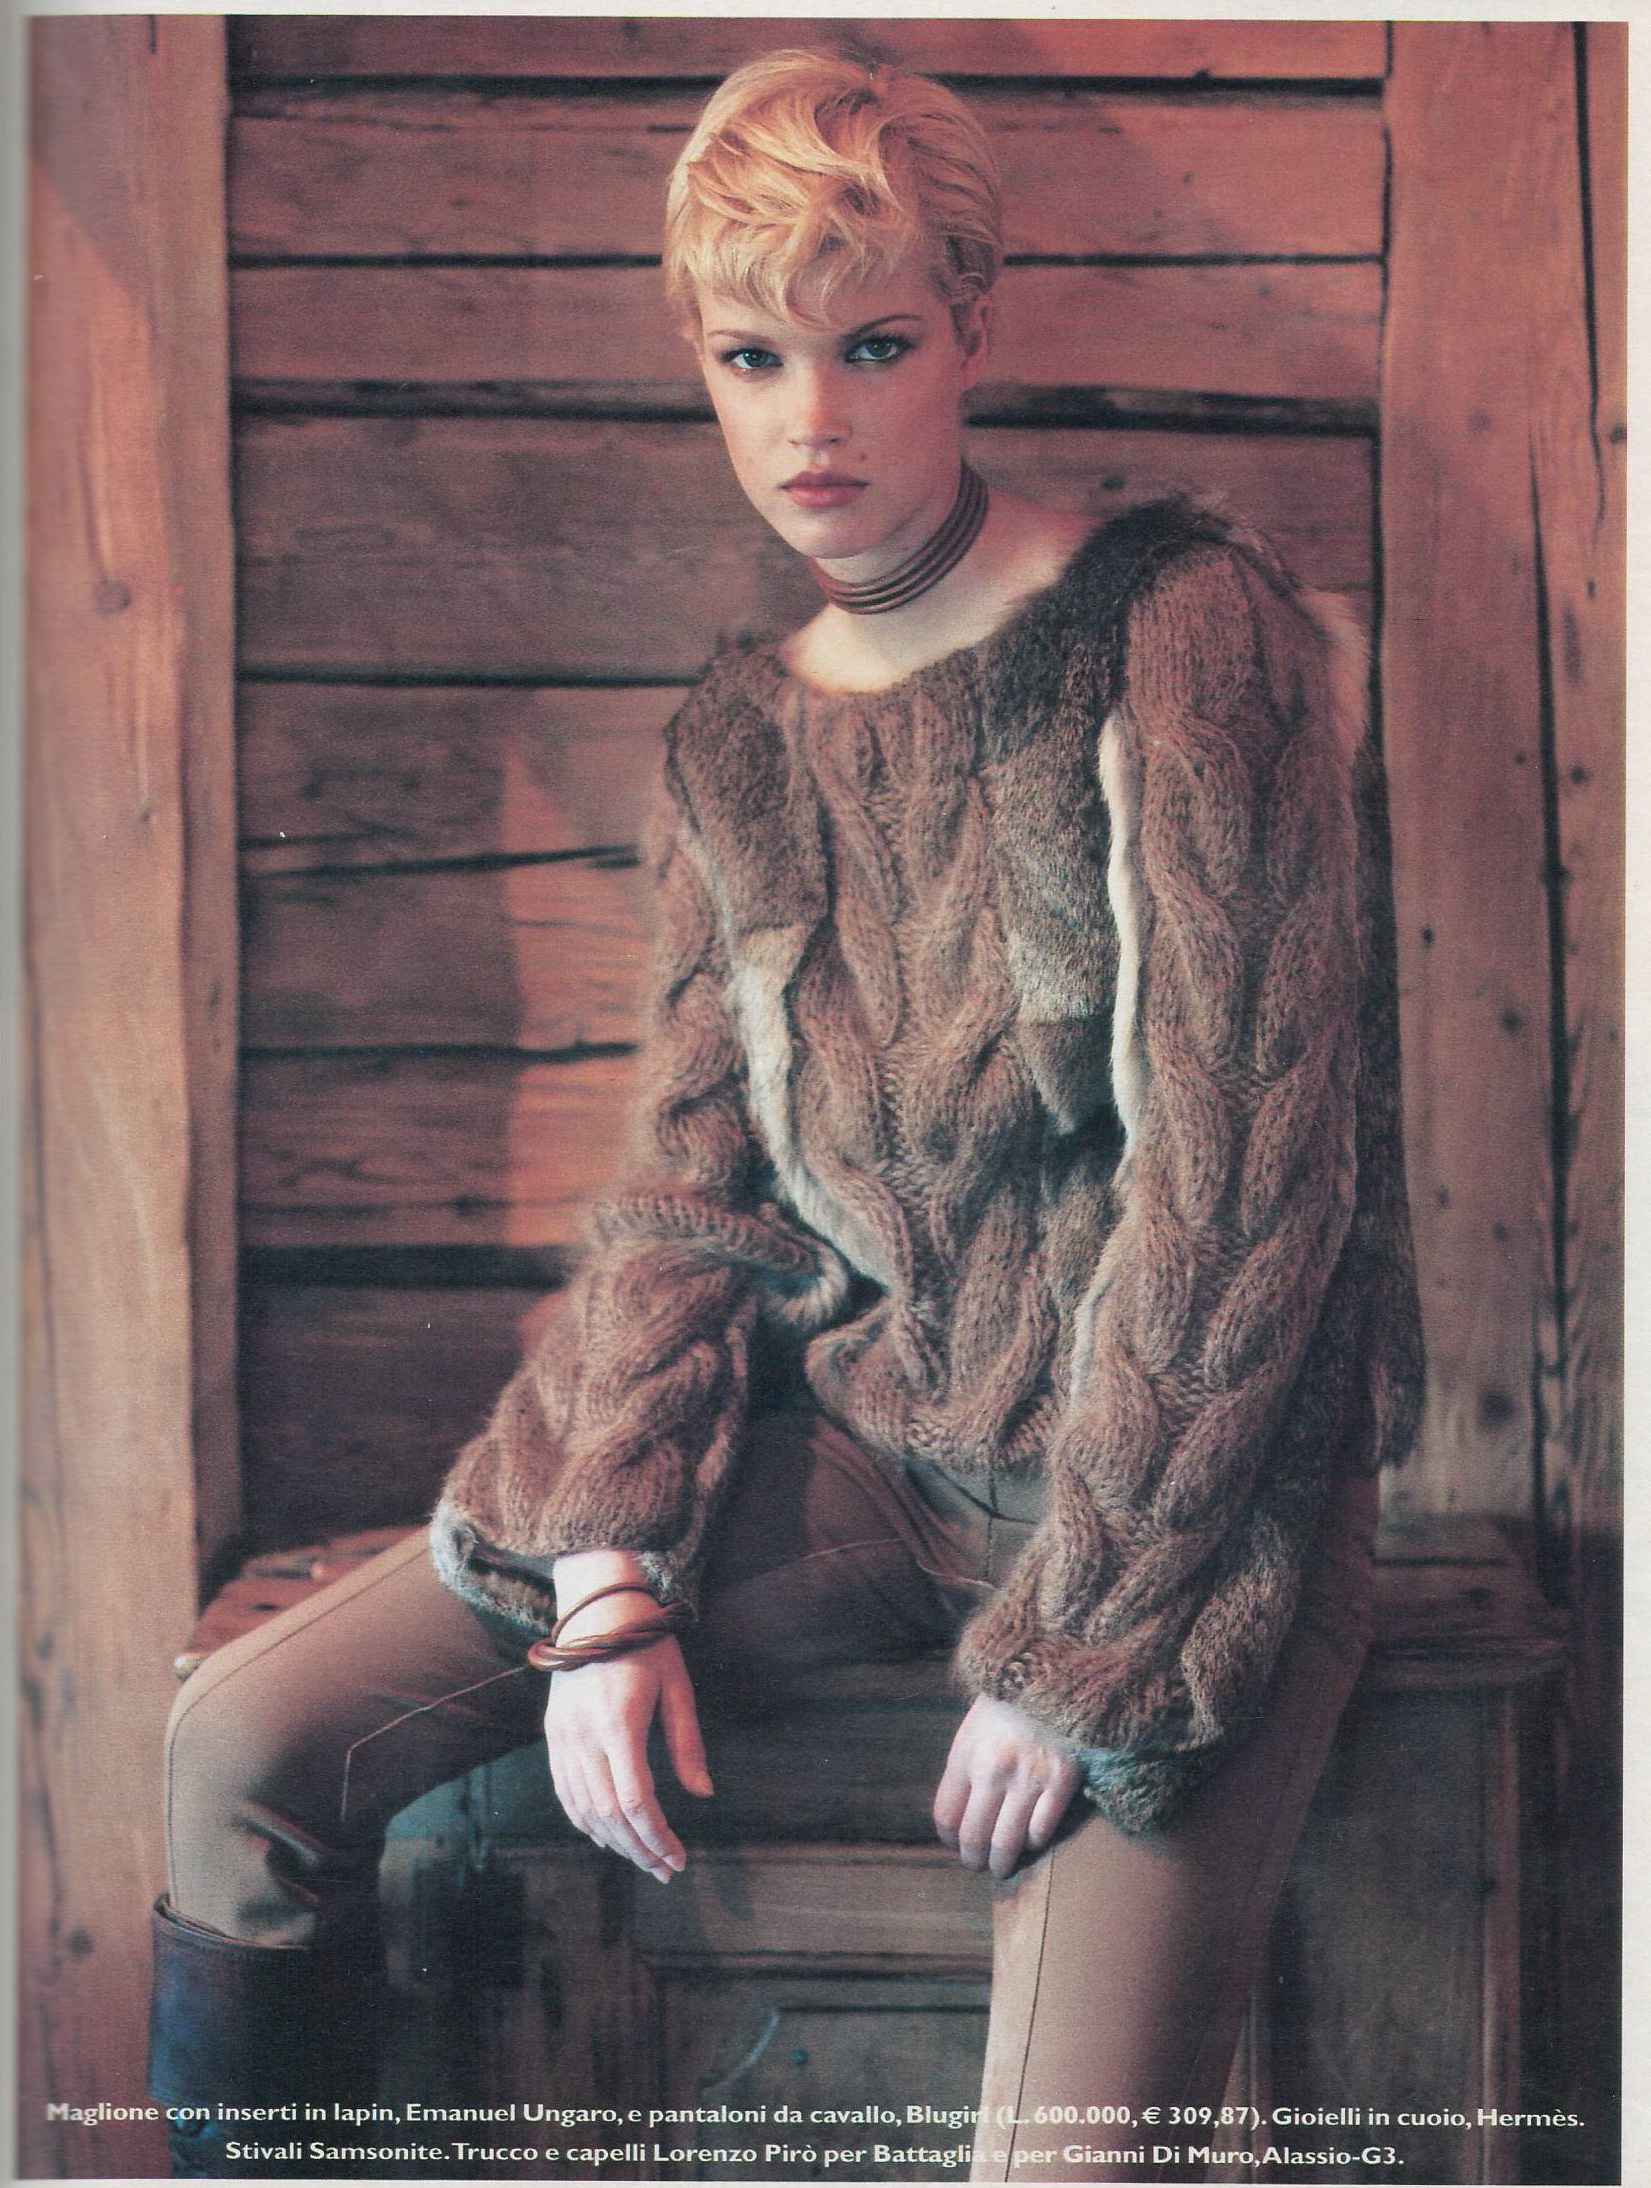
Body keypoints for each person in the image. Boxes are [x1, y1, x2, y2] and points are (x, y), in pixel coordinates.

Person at [149, 49, 1424, 2183]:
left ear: (971, 334)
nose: (811, 420)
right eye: (753, 357)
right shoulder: (738, 737)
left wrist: (1080, 1644)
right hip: (873, 1453)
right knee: (235, 1745)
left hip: (1202, 1502)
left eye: (874, 346)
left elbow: (1245, 1191)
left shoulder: (1180, 631)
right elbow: (693, 1192)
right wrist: (609, 1571)